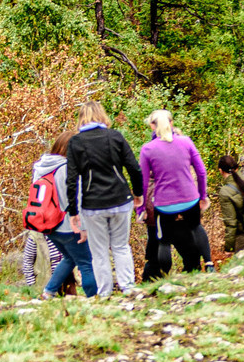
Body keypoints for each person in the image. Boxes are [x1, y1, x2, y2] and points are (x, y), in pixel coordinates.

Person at [60, 102, 143, 296]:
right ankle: (128, 286)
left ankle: (105, 292)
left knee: (99, 252)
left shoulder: (76, 143)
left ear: (81, 118)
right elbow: (134, 168)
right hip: (121, 199)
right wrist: (138, 194)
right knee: (121, 245)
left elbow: (71, 180)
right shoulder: (115, 137)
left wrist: (73, 212)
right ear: (102, 115)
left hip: (93, 204)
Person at [139, 109, 211, 279]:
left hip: (164, 203)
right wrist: (203, 196)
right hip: (189, 198)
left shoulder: (148, 149)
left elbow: (142, 182)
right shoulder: (186, 142)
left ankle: (164, 279)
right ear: (171, 123)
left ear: (152, 125)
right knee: (195, 228)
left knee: (162, 240)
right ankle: (208, 264)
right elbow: (201, 172)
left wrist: (140, 207)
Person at [26, 146, 97, 299]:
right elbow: (73, 201)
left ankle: (48, 292)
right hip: (67, 225)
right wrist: (82, 226)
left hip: (48, 226)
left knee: (69, 258)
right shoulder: (67, 168)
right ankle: (94, 298)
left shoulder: (40, 167)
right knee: (86, 263)